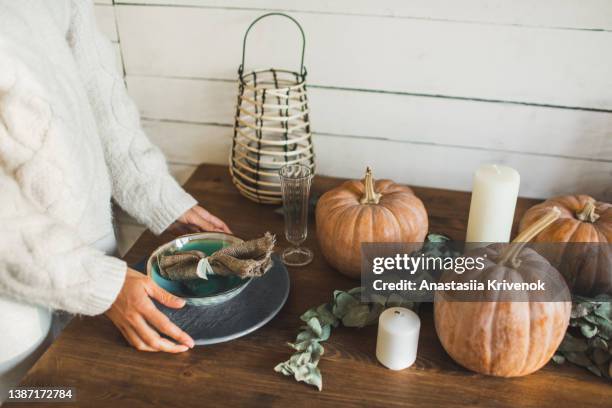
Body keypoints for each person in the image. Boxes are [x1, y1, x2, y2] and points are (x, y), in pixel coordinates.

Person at [0, 0, 230, 399]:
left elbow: (98, 88)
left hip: (95, 262)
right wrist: (98, 283)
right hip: (13, 314)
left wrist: (158, 196)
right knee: (35, 397)